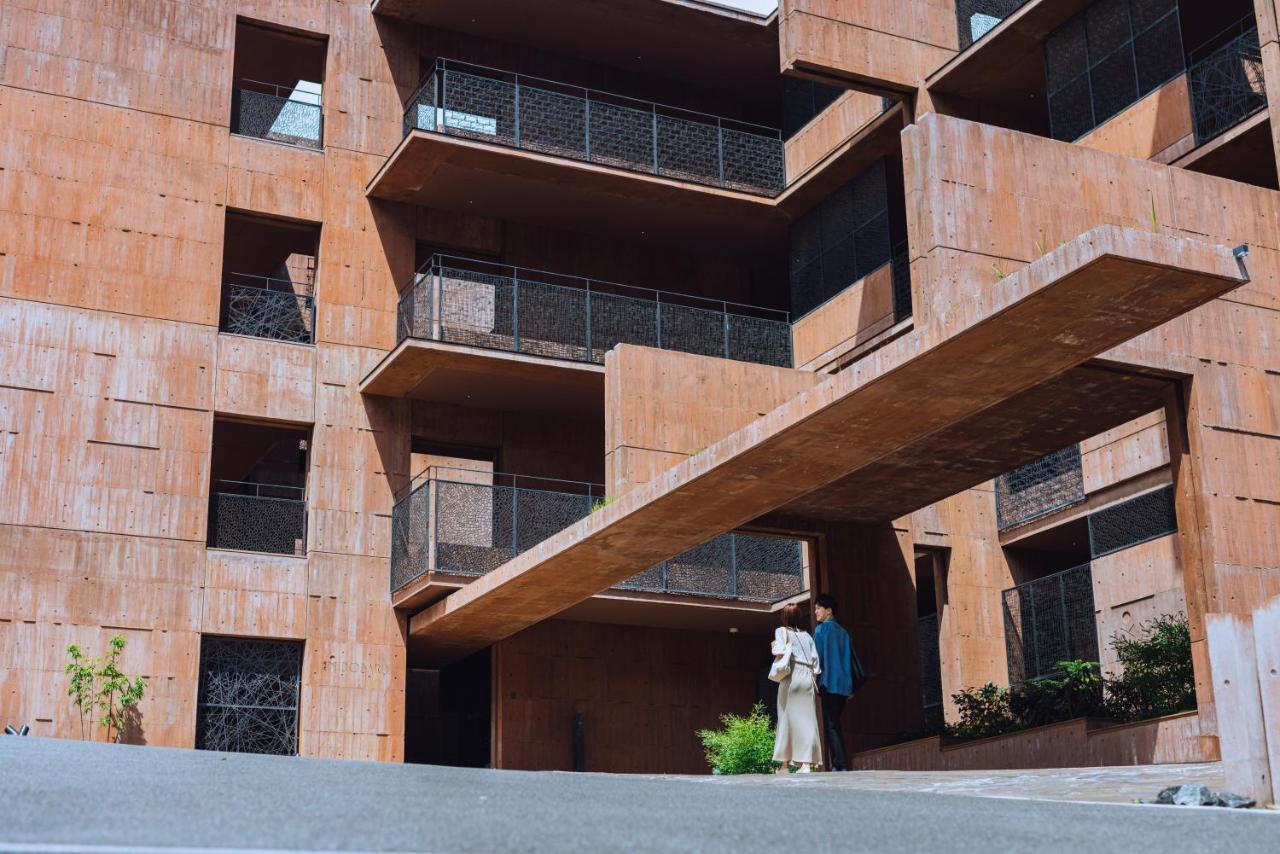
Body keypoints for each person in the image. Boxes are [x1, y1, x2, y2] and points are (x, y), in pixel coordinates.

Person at [770, 602, 822, 773]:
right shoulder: (808, 636)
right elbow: (816, 663)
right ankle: (806, 764)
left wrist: (773, 645)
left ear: (784, 617)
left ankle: (784, 765)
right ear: (799, 617)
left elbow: (778, 652)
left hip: (791, 676)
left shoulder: (781, 631)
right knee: (807, 721)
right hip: (807, 677)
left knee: (785, 718)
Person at [813, 593, 854, 771]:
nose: (815, 612)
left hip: (828, 683)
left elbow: (816, 658)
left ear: (828, 610)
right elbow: (850, 660)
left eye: (818, 608)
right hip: (844, 686)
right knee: (835, 723)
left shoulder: (821, 630)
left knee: (831, 725)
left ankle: (840, 764)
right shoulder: (843, 632)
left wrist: (814, 680)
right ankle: (841, 763)